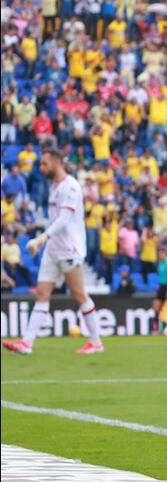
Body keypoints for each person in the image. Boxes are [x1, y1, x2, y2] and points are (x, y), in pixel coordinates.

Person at [3, 148, 104, 355]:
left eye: (44, 164)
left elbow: (64, 220)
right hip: (53, 248)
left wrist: (42, 238)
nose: (41, 167)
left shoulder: (71, 187)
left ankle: (95, 341)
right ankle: (27, 343)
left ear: (57, 163)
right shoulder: (54, 186)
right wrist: (46, 242)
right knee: (42, 292)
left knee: (78, 294)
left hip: (68, 248)